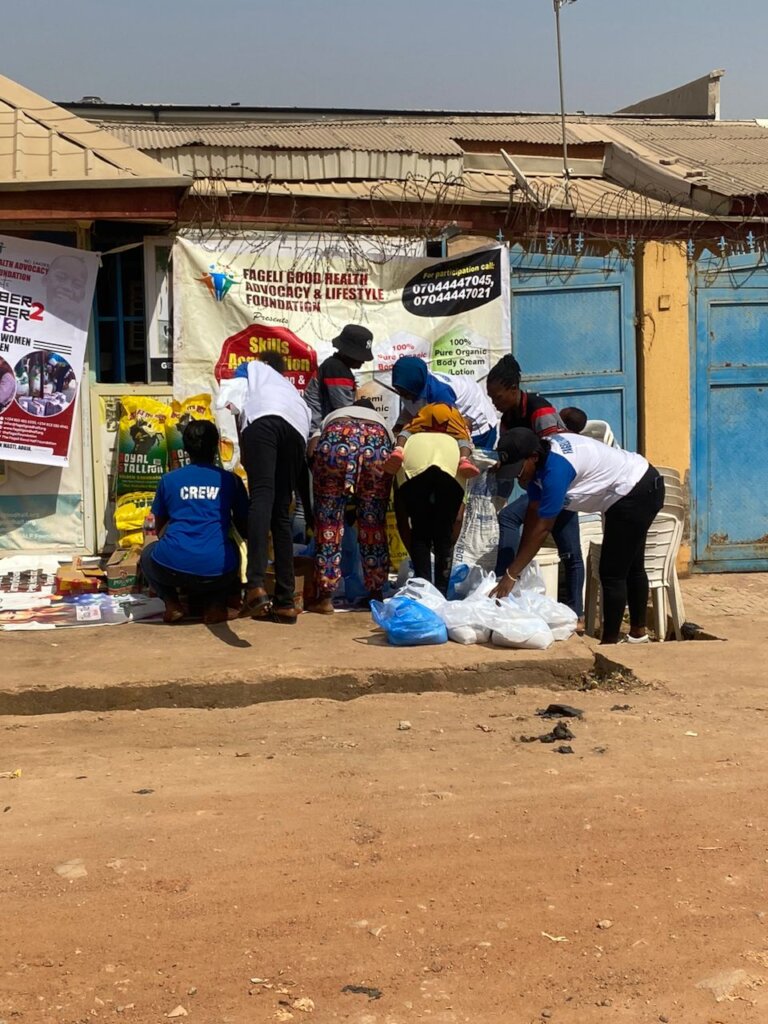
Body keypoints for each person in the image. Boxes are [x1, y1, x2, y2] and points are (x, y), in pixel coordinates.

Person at [489, 428, 664, 644]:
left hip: (635, 490)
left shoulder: (556, 470)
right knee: (631, 565)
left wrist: (512, 574)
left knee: (612, 573)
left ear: (533, 457)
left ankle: (608, 644)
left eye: (519, 470)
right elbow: (533, 516)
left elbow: (543, 527)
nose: (518, 477)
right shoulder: (540, 463)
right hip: (637, 484)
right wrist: (515, 569)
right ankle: (638, 634)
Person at [486, 354, 584, 620]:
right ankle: (502, 586)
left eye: (498, 397)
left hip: (561, 480)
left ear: (514, 389)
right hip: (541, 484)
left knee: (568, 550)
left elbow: (557, 452)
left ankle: (505, 581)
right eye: (491, 399)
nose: (495, 404)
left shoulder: (540, 410)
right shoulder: (507, 419)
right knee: (568, 547)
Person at [225, 353, 311, 624]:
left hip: (263, 423)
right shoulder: (292, 392)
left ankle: (255, 584)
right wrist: (310, 513)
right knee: (281, 513)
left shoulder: (251, 369)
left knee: (261, 496)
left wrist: (241, 444)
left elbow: (229, 401)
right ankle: (285, 602)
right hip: (297, 431)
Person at [140, 421, 249, 625]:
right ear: (216, 445)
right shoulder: (231, 481)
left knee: (147, 554)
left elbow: (158, 526)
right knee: (235, 551)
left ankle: (172, 604)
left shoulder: (169, 480)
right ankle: (216, 606)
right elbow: (245, 526)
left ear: (185, 448)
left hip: (170, 566)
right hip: (216, 571)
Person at [307, 398, 393, 614]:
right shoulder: (380, 422)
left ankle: (325, 597)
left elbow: (312, 448)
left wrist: (321, 481)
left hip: (336, 439)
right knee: (373, 523)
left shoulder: (335, 416)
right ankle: (375, 594)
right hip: (377, 443)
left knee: (329, 523)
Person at [396, 433, 466, 595]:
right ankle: (441, 594)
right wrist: (446, 547)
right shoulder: (459, 448)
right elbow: (458, 518)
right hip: (451, 468)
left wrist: (415, 554)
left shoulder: (409, 439)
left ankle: (424, 593)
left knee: (420, 530)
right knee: (443, 532)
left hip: (412, 468)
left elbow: (402, 519)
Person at [391, 355, 498, 447]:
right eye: (400, 391)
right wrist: (396, 432)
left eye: (405, 393)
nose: (403, 396)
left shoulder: (440, 394)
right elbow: (410, 411)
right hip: (453, 418)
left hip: (477, 425)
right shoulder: (409, 388)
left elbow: (454, 427)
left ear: (417, 387)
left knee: (466, 459)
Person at [304, 324, 374, 457]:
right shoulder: (336, 370)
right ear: (348, 352)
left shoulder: (334, 365)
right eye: (360, 356)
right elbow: (345, 411)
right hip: (317, 436)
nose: (363, 361)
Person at [383, 401, 479, 479]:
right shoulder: (462, 426)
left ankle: (399, 449)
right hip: (449, 415)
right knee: (463, 440)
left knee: (408, 429)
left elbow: (406, 427)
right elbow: (468, 443)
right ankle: (464, 460)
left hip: (430, 411)